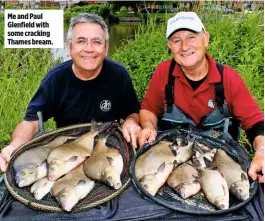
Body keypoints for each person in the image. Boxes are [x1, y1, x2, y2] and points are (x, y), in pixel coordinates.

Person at [0, 13, 141, 172]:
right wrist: (14, 146)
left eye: (96, 42)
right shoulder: (55, 79)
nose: (89, 49)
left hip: (107, 145)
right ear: (69, 47)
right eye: (81, 41)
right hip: (67, 150)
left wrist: (132, 121)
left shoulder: (119, 74)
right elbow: (31, 122)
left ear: (106, 48)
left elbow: (132, 113)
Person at [139, 11, 264, 183]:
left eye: (191, 37)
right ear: (170, 46)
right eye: (176, 40)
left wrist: (262, 150)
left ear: (205, 38)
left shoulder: (229, 78)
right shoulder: (163, 73)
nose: (184, 46)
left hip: (219, 161)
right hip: (174, 159)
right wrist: (148, 125)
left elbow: (255, 123)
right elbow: (149, 109)